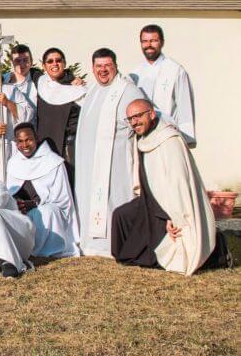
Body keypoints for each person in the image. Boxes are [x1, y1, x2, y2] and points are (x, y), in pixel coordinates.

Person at [111, 99, 228, 275]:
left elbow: (178, 183)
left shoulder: (169, 140)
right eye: (130, 119)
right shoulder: (142, 138)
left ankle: (217, 252)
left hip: (170, 205)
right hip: (150, 200)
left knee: (168, 252)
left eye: (137, 116)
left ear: (151, 114)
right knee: (121, 216)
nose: (134, 122)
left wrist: (172, 215)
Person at [74, 48, 145, 257]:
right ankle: (91, 244)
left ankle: (112, 244)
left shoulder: (128, 91)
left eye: (107, 65)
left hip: (115, 163)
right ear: (93, 68)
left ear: (115, 65)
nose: (103, 70)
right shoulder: (93, 91)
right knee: (90, 199)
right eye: (98, 66)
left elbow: (142, 120)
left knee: (112, 199)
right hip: (89, 163)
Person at [7, 124, 79, 258]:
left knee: (46, 212)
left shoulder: (53, 162)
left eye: (28, 139)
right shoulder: (13, 163)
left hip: (49, 211)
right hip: (23, 211)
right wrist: (16, 203)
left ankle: (42, 251)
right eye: (20, 141)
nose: (25, 145)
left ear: (36, 138)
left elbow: (62, 200)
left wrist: (34, 205)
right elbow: (10, 191)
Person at [129, 25, 196, 147]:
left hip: (167, 136)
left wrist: (186, 140)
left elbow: (185, 107)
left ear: (162, 42)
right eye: (144, 41)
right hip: (142, 138)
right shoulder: (135, 73)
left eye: (153, 41)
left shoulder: (175, 70)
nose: (149, 45)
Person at [35, 48, 86, 185]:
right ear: (44, 66)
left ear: (64, 63)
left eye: (58, 60)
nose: (54, 64)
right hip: (45, 147)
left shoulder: (76, 89)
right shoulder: (40, 83)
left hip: (69, 148)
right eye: (50, 61)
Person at [3, 44, 40, 113]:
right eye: (17, 61)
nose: (21, 64)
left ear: (31, 61)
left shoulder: (38, 82)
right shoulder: (2, 81)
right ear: (11, 62)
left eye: (25, 60)